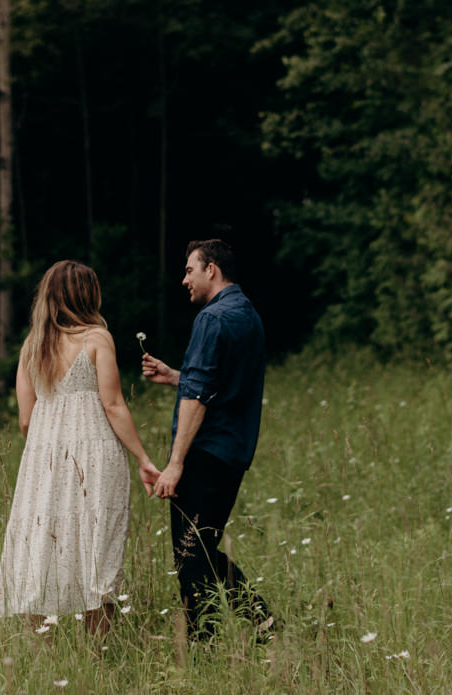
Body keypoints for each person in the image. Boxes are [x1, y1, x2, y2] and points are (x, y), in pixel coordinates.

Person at [0, 260, 162, 636]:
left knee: (42, 543)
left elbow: (25, 418)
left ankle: (42, 651)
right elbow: (113, 404)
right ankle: (97, 652)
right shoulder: (97, 338)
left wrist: (47, 448)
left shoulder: (31, 347)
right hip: (96, 454)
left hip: (44, 459)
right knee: (96, 544)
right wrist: (143, 458)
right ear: (88, 295)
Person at [142, 238, 276, 642]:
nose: (184, 279)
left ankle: (203, 647)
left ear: (211, 270)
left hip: (204, 455)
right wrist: (174, 376)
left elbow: (199, 396)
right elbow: (220, 385)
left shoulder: (212, 319)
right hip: (233, 453)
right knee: (203, 547)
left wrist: (176, 462)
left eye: (189, 270)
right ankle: (264, 623)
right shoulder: (247, 313)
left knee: (189, 556)